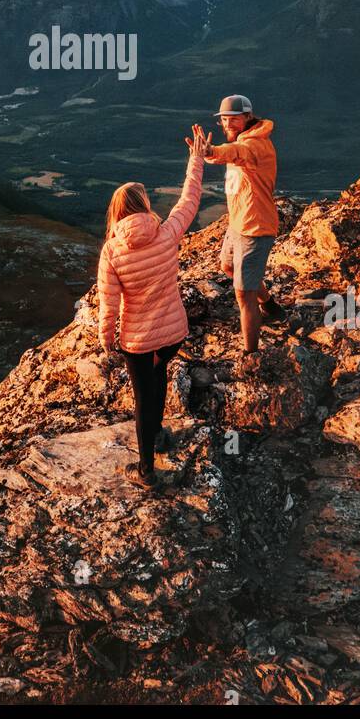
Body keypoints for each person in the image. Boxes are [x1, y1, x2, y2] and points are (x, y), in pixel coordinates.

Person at [97, 126, 207, 488]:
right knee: (158, 377)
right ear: (143, 206)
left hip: (138, 340)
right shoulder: (166, 233)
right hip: (173, 333)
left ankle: (146, 471)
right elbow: (189, 199)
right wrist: (196, 159)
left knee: (143, 396)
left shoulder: (112, 251)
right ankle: (158, 433)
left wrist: (106, 340)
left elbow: (109, 302)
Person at [187, 94, 285, 354]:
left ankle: (251, 354)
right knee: (228, 266)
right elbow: (232, 153)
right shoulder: (245, 140)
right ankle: (270, 305)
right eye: (224, 120)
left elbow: (235, 153)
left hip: (256, 228)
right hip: (238, 223)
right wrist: (210, 153)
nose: (227, 124)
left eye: (233, 119)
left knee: (243, 294)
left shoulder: (255, 146)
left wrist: (210, 152)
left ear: (248, 117)